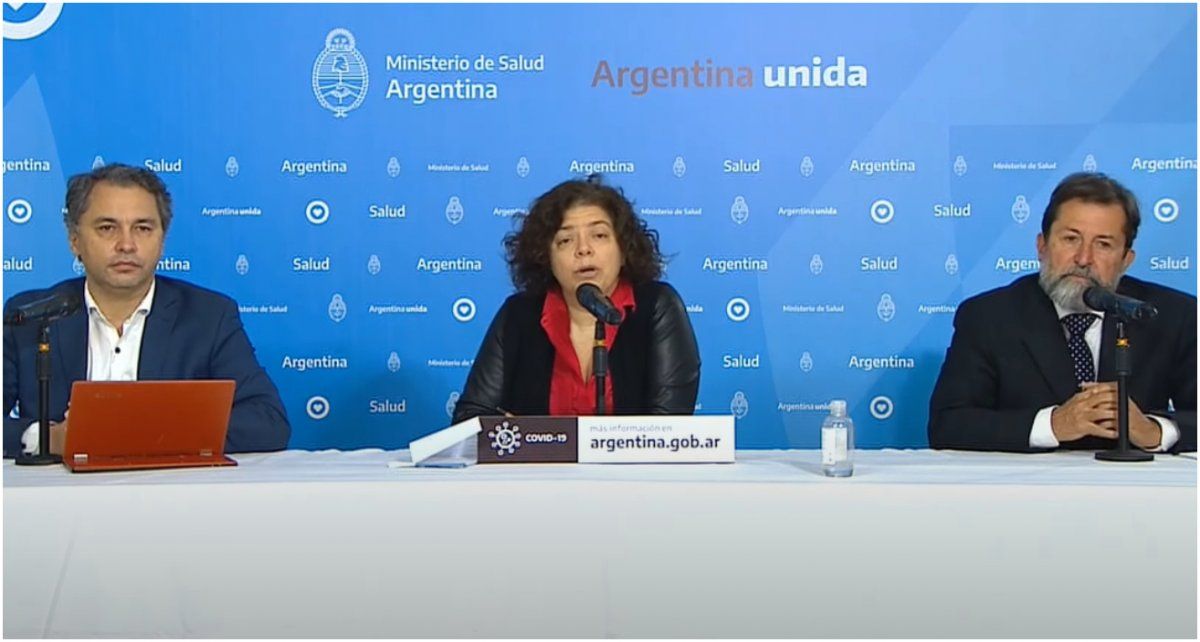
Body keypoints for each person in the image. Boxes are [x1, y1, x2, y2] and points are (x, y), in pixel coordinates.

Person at [3, 163, 290, 457]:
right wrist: (49, 439)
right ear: (74, 240)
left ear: (162, 241)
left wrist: (145, 432)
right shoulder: (32, 316)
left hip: (168, 487)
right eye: (107, 228)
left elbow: (268, 421)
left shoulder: (209, 316)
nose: (126, 245)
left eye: (142, 228)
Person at [929, 172, 1196, 453]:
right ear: (1042, 246)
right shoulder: (989, 317)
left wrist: (1153, 431)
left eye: (1103, 244)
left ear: (1125, 260)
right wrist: (1053, 425)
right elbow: (948, 425)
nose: (1083, 259)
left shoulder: (1172, 316)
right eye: (1071, 239)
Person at [453, 175, 700, 422]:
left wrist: (537, 433)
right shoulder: (519, 314)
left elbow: (668, 428)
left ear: (624, 249)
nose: (583, 249)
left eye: (599, 235)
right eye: (565, 240)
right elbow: (470, 417)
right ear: (546, 258)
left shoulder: (656, 306)